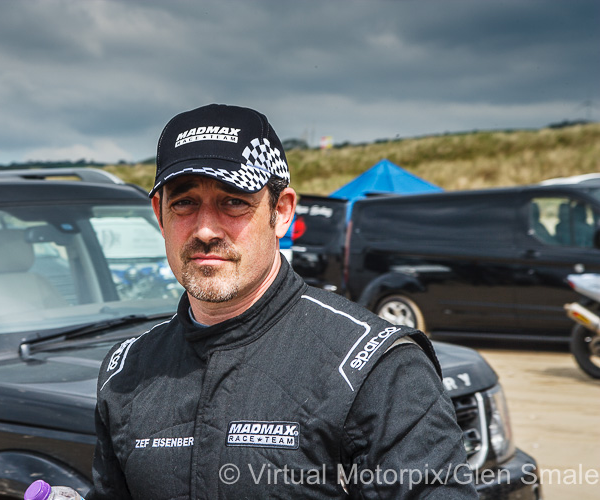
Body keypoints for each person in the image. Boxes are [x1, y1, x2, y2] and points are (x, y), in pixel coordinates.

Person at [85, 104, 478, 499]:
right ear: (160, 214)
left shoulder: (373, 365)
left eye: (233, 201)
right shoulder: (127, 370)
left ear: (282, 211)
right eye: (184, 203)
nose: (205, 229)